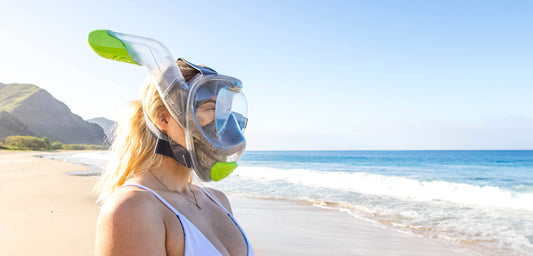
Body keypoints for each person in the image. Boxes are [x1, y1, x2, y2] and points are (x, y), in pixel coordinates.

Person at [89, 30, 253, 256]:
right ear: (165, 118)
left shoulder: (218, 201)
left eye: (226, 112)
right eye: (211, 109)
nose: (223, 125)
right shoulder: (134, 208)